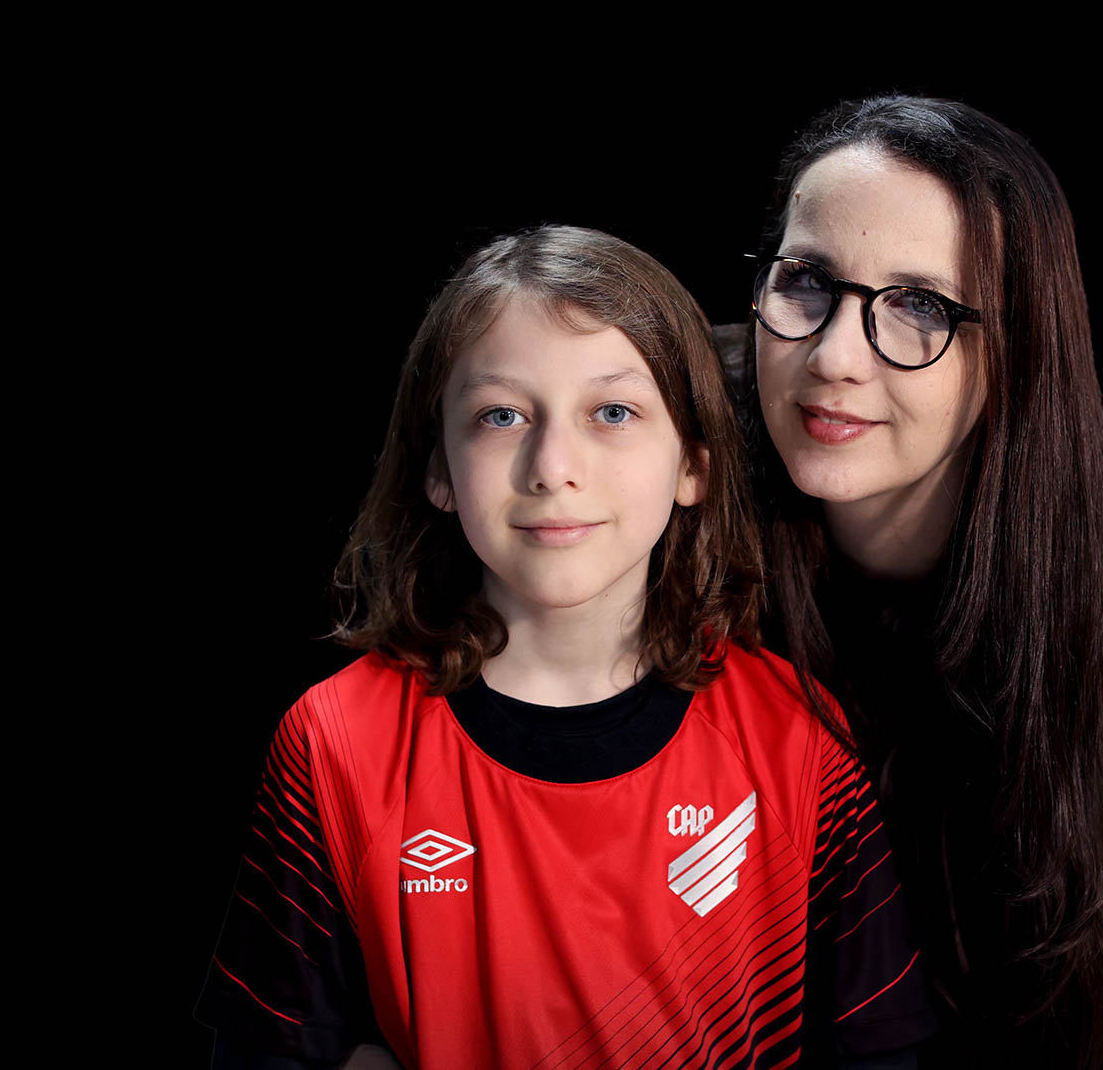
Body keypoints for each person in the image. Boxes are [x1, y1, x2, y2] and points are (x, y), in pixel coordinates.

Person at [195, 226, 935, 1069]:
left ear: (692, 465)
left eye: (612, 413)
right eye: (501, 416)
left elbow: (880, 1052)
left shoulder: (796, 740)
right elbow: (267, 1052)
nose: (552, 466)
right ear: (438, 469)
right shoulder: (336, 743)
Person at [729, 97, 1103, 1068]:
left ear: (1015, 350)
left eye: (919, 305)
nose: (832, 357)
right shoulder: (657, 500)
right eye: (807, 282)